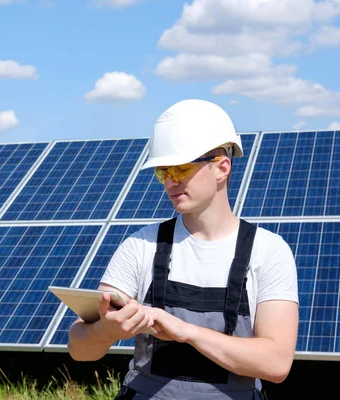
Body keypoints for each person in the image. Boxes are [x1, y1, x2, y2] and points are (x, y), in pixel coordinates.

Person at [68, 99, 299, 400]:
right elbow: (79, 347)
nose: (170, 181)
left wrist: (186, 332)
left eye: (181, 168)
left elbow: (276, 363)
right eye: (163, 172)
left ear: (222, 167)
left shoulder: (268, 252)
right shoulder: (140, 246)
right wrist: (107, 331)